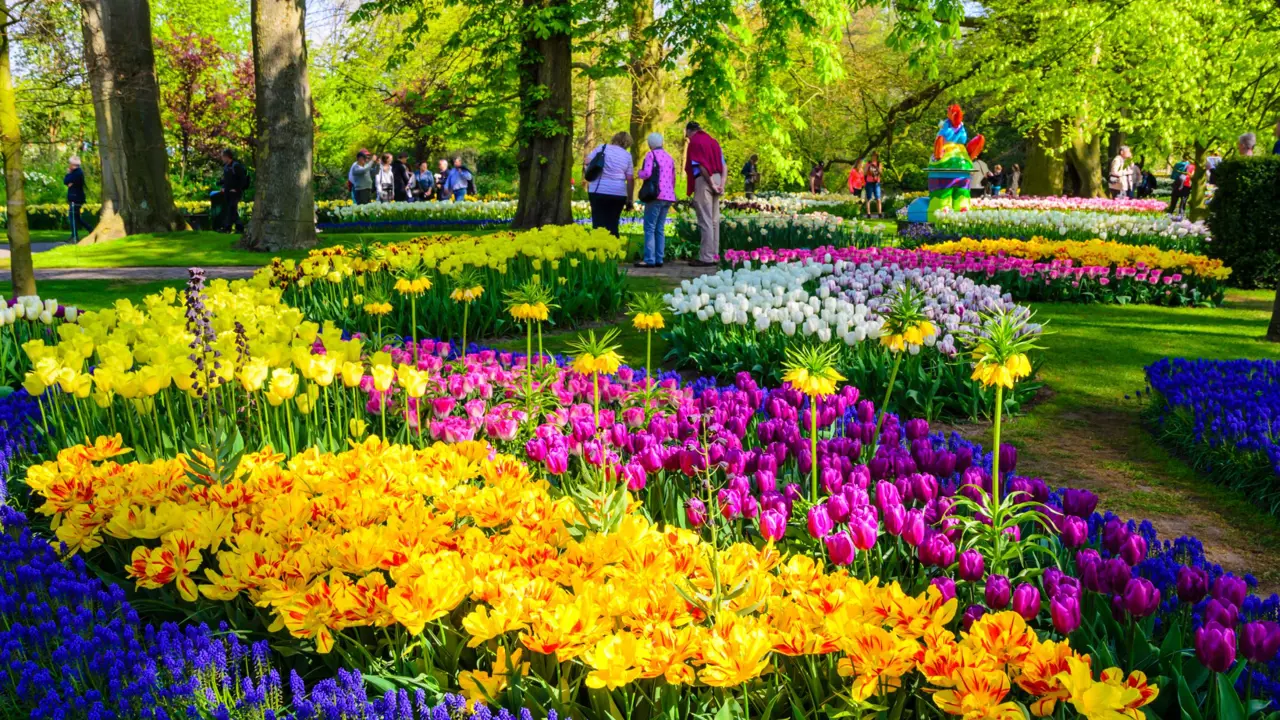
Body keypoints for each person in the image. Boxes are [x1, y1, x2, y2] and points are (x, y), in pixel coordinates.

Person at [684, 121, 724, 267]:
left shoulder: (695, 141)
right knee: (714, 220)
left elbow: (701, 165)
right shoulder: (713, 141)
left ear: (689, 131)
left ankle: (706, 257)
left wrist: (711, 183)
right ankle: (714, 255)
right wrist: (721, 184)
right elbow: (723, 165)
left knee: (705, 219)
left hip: (705, 179)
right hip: (718, 177)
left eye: (686, 134)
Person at [635, 131, 676, 268]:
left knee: (649, 227)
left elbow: (647, 173)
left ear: (649, 144)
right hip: (668, 196)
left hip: (655, 195)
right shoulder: (669, 157)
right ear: (662, 143)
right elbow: (673, 178)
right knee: (660, 228)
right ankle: (659, 258)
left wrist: (639, 173)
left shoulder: (650, 155)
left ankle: (649, 259)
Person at [583, 131, 635, 237]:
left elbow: (587, 161)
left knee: (598, 223)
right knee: (613, 223)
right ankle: (613, 251)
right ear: (627, 143)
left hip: (598, 190)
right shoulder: (627, 156)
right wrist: (629, 199)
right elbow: (630, 179)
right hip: (618, 193)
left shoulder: (602, 148)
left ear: (614, 138)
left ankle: (598, 249)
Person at [216, 148, 249, 233]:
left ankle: (231, 228)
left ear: (227, 157)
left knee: (231, 209)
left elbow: (243, 180)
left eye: (223, 157)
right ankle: (234, 228)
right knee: (232, 210)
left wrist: (237, 189)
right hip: (228, 192)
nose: (222, 159)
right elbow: (227, 180)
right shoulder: (226, 167)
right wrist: (222, 185)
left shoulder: (236, 166)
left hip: (235, 192)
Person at [64, 156, 87, 242]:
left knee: (72, 217)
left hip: (76, 198)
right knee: (76, 218)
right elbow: (66, 182)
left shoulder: (77, 173)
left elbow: (66, 181)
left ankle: (75, 236)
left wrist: (68, 174)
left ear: (73, 165)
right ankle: (89, 230)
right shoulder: (75, 173)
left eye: (70, 164)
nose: (69, 165)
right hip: (74, 197)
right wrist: (69, 180)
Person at [864, 152, 883, 217]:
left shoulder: (879, 163)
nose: (873, 157)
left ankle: (880, 214)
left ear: (877, 157)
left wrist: (876, 168)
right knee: (868, 198)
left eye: (875, 156)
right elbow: (865, 173)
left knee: (878, 198)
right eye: (872, 156)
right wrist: (869, 166)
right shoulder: (868, 163)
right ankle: (868, 214)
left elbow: (881, 172)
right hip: (869, 182)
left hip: (877, 183)